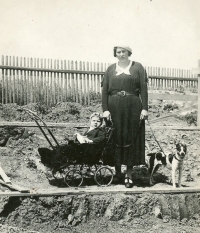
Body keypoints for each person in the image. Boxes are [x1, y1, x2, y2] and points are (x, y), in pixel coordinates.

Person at [102, 45, 148, 188]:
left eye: (124, 52)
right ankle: (117, 173)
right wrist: (105, 110)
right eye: (118, 52)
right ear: (115, 54)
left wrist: (145, 108)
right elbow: (104, 91)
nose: (121, 54)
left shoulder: (138, 67)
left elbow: (144, 89)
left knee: (130, 138)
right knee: (115, 137)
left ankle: (129, 174)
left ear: (129, 53)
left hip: (133, 107)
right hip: (114, 107)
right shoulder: (110, 69)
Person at [38, 112, 106, 169]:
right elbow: (84, 138)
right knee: (63, 147)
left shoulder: (100, 130)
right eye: (94, 121)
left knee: (67, 149)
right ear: (90, 121)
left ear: (101, 122)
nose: (95, 123)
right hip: (84, 148)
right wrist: (80, 136)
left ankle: (53, 160)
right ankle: (50, 157)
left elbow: (102, 138)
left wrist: (90, 140)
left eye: (98, 121)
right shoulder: (90, 129)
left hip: (89, 151)